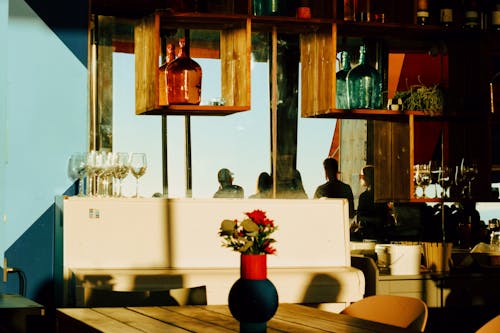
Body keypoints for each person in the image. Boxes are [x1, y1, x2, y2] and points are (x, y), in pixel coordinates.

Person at [354, 165, 389, 241]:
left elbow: (359, 217)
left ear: (367, 177)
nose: (360, 178)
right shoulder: (381, 195)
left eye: (362, 176)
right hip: (381, 234)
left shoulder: (364, 196)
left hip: (367, 234)